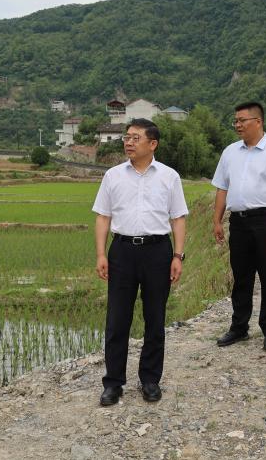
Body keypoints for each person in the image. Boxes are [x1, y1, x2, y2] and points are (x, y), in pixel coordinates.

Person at [93, 119, 189, 406]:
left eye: (136, 138)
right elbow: (103, 216)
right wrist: (101, 254)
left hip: (158, 251)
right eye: (127, 137)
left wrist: (178, 255)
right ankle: (113, 383)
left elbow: (178, 218)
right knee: (117, 319)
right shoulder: (112, 175)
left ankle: (150, 380)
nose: (128, 142)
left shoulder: (169, 176)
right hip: (122, 251)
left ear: (152, 143)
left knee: (155, 318)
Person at [212, 102, 266, 352]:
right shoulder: (230, 152)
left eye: (242, 120)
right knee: (241, 277)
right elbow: (222, 188)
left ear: (258, 122)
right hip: (238, 222)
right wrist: (217, 220)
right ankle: (239, 327)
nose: (237, 125)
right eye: (235, 121)